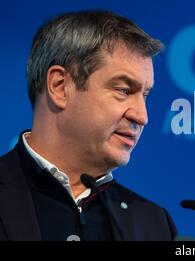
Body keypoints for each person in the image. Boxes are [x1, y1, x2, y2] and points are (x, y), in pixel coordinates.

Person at [0, 10, 177, 241]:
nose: (142, 117)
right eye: (124, 90)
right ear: (60, 86)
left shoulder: (154, 224)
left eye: (145, 95)